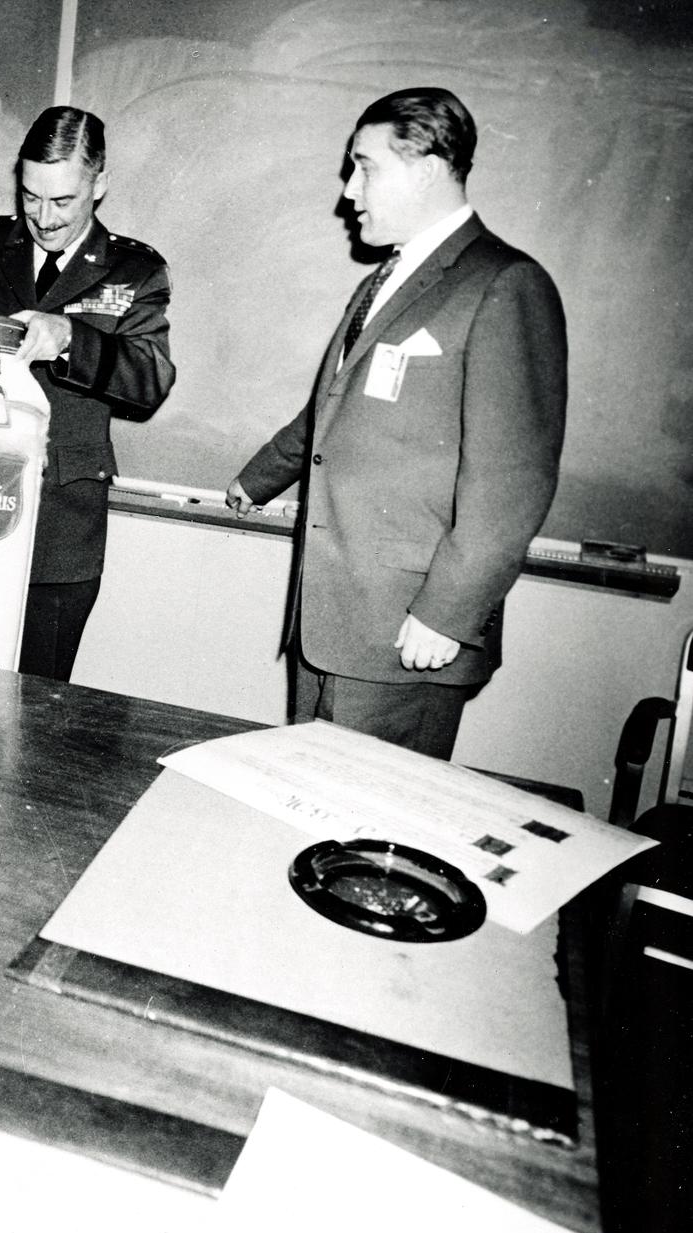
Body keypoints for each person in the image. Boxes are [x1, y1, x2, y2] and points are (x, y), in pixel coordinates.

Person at [226, 87, 567, 760]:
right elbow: (337, 404)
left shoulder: (503, 284)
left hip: (405, 627)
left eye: (364, 166)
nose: (348, 191)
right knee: (309, 807)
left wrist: (447, 613)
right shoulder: (389, 277)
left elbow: (513, 480)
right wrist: (258, 477)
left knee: (368, 836)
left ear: (426, 168)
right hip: (332, 616)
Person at [0, 106, 175, 680]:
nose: (43, 218)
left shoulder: (134, 271)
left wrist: (71, 337)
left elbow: (149, 380)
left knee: (36, 706)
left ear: (101, 185)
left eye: (63, 201)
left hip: (59, 531)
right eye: (30, 197)